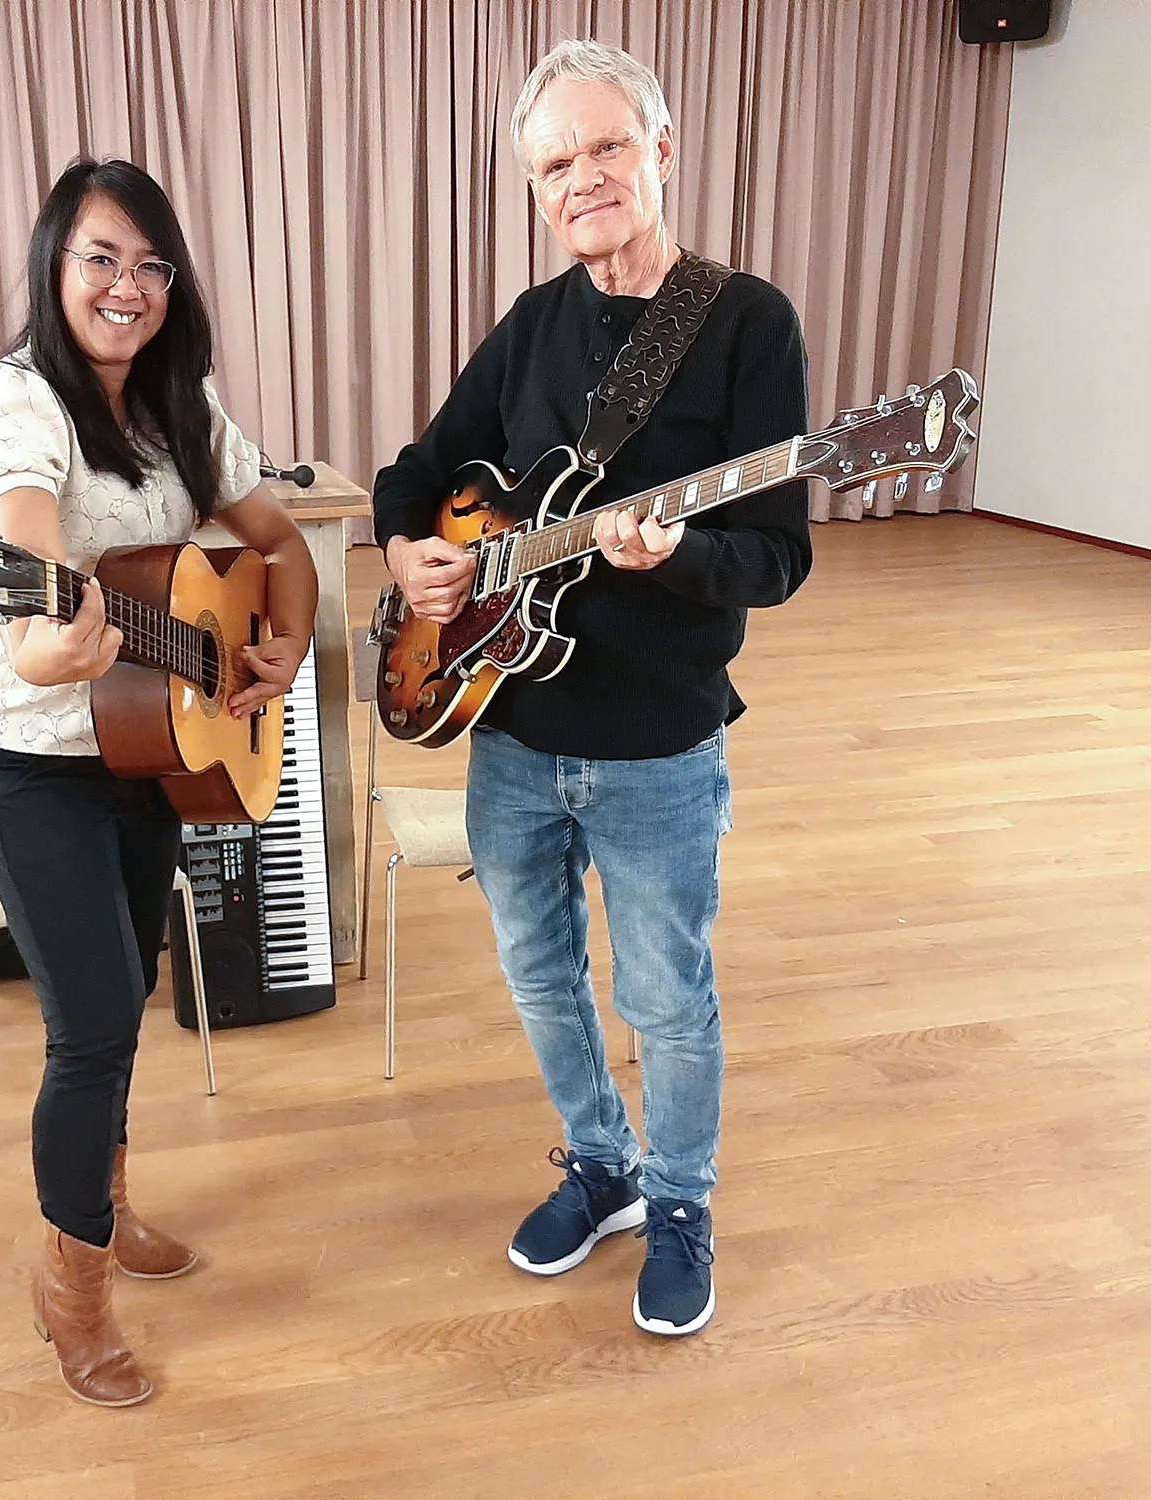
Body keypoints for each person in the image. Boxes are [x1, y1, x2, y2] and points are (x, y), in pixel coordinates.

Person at [371, 40, 811, 1337]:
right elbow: (419, 471)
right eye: (556, 163)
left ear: (660, 150)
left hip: (659, 744)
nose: (584, 179)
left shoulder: (747, 323)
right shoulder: (532, 326)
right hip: (511, 728)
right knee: (540, 972)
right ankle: (601, 1164)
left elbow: (777, 556)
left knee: (667, 994)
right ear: (536, 190)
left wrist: (678, 553)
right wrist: (414, 554)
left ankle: (680, 1199)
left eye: (606, 147)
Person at [0, 157, 317, 1406]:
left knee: (131, 993)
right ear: (54, 266)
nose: (126, 285)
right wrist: (50, 635)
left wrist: (284, 643)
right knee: (92, 1023)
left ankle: (100, 1208)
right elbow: (25, 541)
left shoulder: (177, 407)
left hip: (147, 752)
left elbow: (276, 546)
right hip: (29, 762)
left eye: (149, 264)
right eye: (99, 257)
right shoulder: (8, 408)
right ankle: (74, 1292)